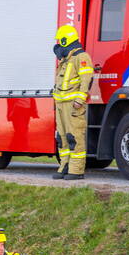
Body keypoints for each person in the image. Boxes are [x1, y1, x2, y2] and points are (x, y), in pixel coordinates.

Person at [52, 24, 93, 180]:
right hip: (61, 105)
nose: (57, 45)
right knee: (61, 137)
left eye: (59, 41)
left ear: (65, 40)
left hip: (73, 106)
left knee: (74, 137)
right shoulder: (66, 59)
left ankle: (76, 170)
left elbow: (86, 80)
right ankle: (65, 166)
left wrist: (79, 100)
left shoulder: (81, 57)